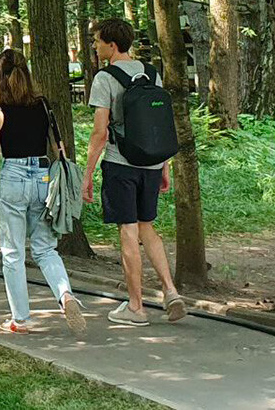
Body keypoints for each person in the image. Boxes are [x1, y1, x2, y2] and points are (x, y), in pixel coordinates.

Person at [0, 50, 87, 335]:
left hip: (13, 178)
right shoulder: (42, 105)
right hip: (44, 177)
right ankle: (66, 295)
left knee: (12, 253)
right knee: (46, 249)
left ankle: (21, 319)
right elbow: (60, 148)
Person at [83, 18, 186, 326]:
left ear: (112, 45)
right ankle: (170, 291)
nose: (95, 46)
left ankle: (136, 307)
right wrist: (164, 164)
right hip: (152, 163)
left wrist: (87, 173)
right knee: (147, 227)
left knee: (128, 231)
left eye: (98, 41)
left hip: (121, 164)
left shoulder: (105, 78)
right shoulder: (151, 73)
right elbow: (158, 124)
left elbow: (100, 132)